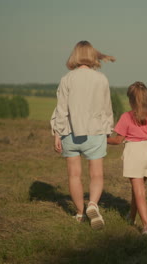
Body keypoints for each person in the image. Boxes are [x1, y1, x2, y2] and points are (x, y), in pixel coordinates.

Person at [50, 40, 115, 230]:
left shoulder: (66, 79)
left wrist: (56, 133)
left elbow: (61, 109)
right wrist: (107, 130)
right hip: (95, 131)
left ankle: (79, 213)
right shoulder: (101, 79)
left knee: (74, 176)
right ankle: (93, 205)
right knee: (96, 175)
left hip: (70, 132)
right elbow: (106, 108)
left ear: (75, 56)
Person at [107, 81, 147, 234]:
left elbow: (118, 140)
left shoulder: (126, 117)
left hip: (134, 152)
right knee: (137, 189)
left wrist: (103, 139)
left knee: (139, 192)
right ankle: (131, 217)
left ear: (131, 100)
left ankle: (146, 226)